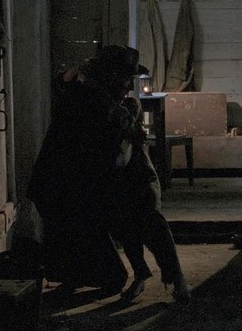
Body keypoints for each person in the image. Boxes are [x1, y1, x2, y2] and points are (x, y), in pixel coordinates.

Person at [27, 45, 147, 295]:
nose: (130, 86)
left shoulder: (94, 97)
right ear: (111, 78)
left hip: (68, 186)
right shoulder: (93, 102)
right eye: (126, 80)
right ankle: (79, 276)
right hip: (62, 185)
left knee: (75, 232)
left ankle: (76, 276)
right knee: (79, 235)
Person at [107, 94, 191, 304]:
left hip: (142, 179)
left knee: (156, 228)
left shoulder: (127, 106)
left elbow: (124, 150)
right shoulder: (109, 108)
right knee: (127, 230)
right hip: (122, 182)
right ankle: (141, 275)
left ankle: (177, 279)